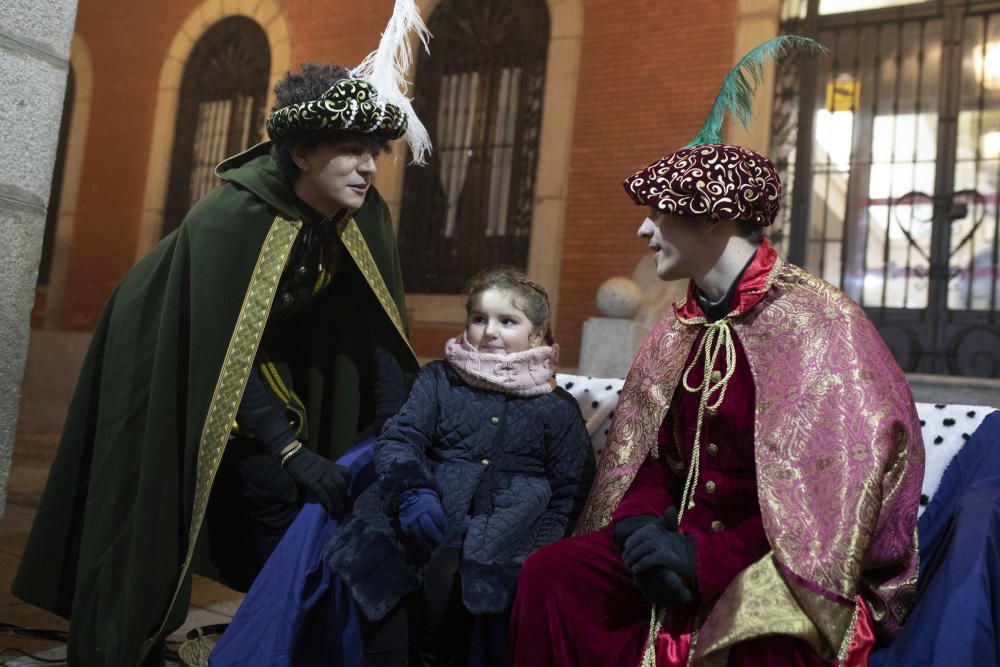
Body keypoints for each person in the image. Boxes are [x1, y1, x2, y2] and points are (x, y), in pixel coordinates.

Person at [12, 3, 433, 663]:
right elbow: (219, 344)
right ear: (300, 151)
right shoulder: (233, 214)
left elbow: (380, 335)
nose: (367, 166)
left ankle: (284, 638)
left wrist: (393, 441)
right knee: (183, 499)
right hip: (162, 349)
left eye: (373, 151)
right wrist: (291, 451)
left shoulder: (361, 217)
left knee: (300, 506)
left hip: (265, 373)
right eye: (349, 150)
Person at [509, 37, 924, 666]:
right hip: (672, 541)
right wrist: (640, 529)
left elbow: (829, 503)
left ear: (714, 219)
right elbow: (653, 455)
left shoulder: (819, 327)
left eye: (658, 213)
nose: (643, 229)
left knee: (763, 642)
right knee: (552, 574)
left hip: (779, 563)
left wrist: (703, 561)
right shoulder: (682, 325)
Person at [318, 267, 595, 666]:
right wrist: (412, 491)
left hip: (510, 528)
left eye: (507, 321)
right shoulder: (437, 379)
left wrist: (541, 552)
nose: (490, 331)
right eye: (479, 318)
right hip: (425, 506)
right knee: (383, 574)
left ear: (537, 334)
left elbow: (572, 488)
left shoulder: (556, 407)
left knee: (464, 597)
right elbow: (401, 438)